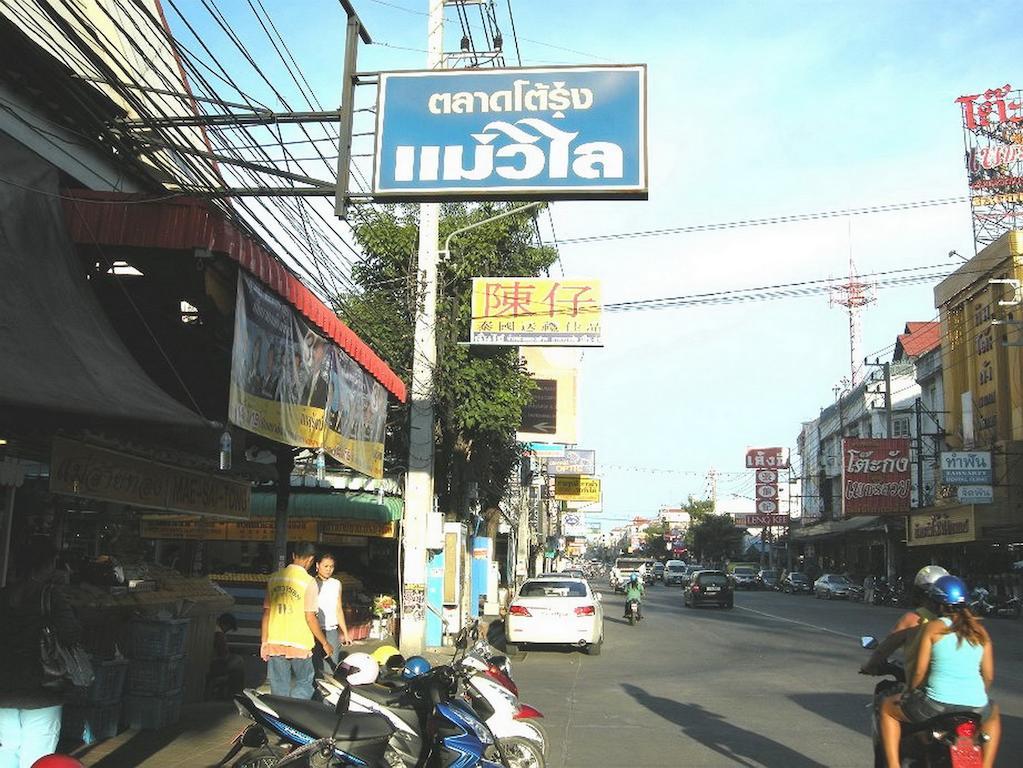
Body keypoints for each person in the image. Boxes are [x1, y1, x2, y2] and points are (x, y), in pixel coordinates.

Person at [878, 575, 1001, 768]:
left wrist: (910, 690)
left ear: (937, 603)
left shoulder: (933, 628)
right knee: (993, 715)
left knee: (886, 708)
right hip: (975, 707)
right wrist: (976, 696)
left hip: (935, 705)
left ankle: (894, 765)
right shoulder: (980, 631)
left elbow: (919, 671)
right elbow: (989, 675)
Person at [0, 538, 82, 768]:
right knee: (38, 751)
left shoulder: (4, 595)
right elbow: (72, 633)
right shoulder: (50, 596)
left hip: (4, 687)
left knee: (7, 747)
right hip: (42, 687)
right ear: (46, 564)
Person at [260, 542, 333, 699]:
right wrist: (324, 642)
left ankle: (281, 714)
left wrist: (264, 642)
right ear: (311, 560)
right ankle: (295, 712)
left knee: (279, 688)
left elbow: (266, 612)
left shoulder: (273, 578)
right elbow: (310, 617)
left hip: (275, 641)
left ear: (293, 556)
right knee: (305, 683)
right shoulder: (308, 582)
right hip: (300, 643)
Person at [862, 565, 948, 684]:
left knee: (886, 700)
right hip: (969, 696)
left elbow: (883, 650)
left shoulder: (911, 620)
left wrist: (869, 666)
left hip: (926, 690)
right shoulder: (965, 625)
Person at [312, 553, 351, 676]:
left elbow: (338, 609)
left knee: (330, 667)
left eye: (331, 567)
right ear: (317, 565)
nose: (329, 569)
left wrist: (345, 632)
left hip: (331, 631)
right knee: (314, 666)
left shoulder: (336, 584)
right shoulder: (311, 583)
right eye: (326, 566)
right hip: (314, 630)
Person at [206, 613, 245, 698]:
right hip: (213, 665)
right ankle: (236, 693)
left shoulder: (210, 628)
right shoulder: (219, 634)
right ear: (226, 625)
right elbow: (224, 655)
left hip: (209, 661)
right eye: (229, 628)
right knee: (239, 662)